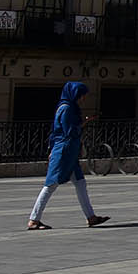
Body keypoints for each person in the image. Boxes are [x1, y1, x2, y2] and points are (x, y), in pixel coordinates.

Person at [27, 81, 109, 230]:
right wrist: (81, 125)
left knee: (80, 183)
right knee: (51, 184)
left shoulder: (68, 108)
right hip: (65, 152)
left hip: (69, 152)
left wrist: (83, 122)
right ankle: (34, 219)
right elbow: (69, 131)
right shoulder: (67, 109)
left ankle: (91, 217)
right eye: (81, 95)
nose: (83, 98)